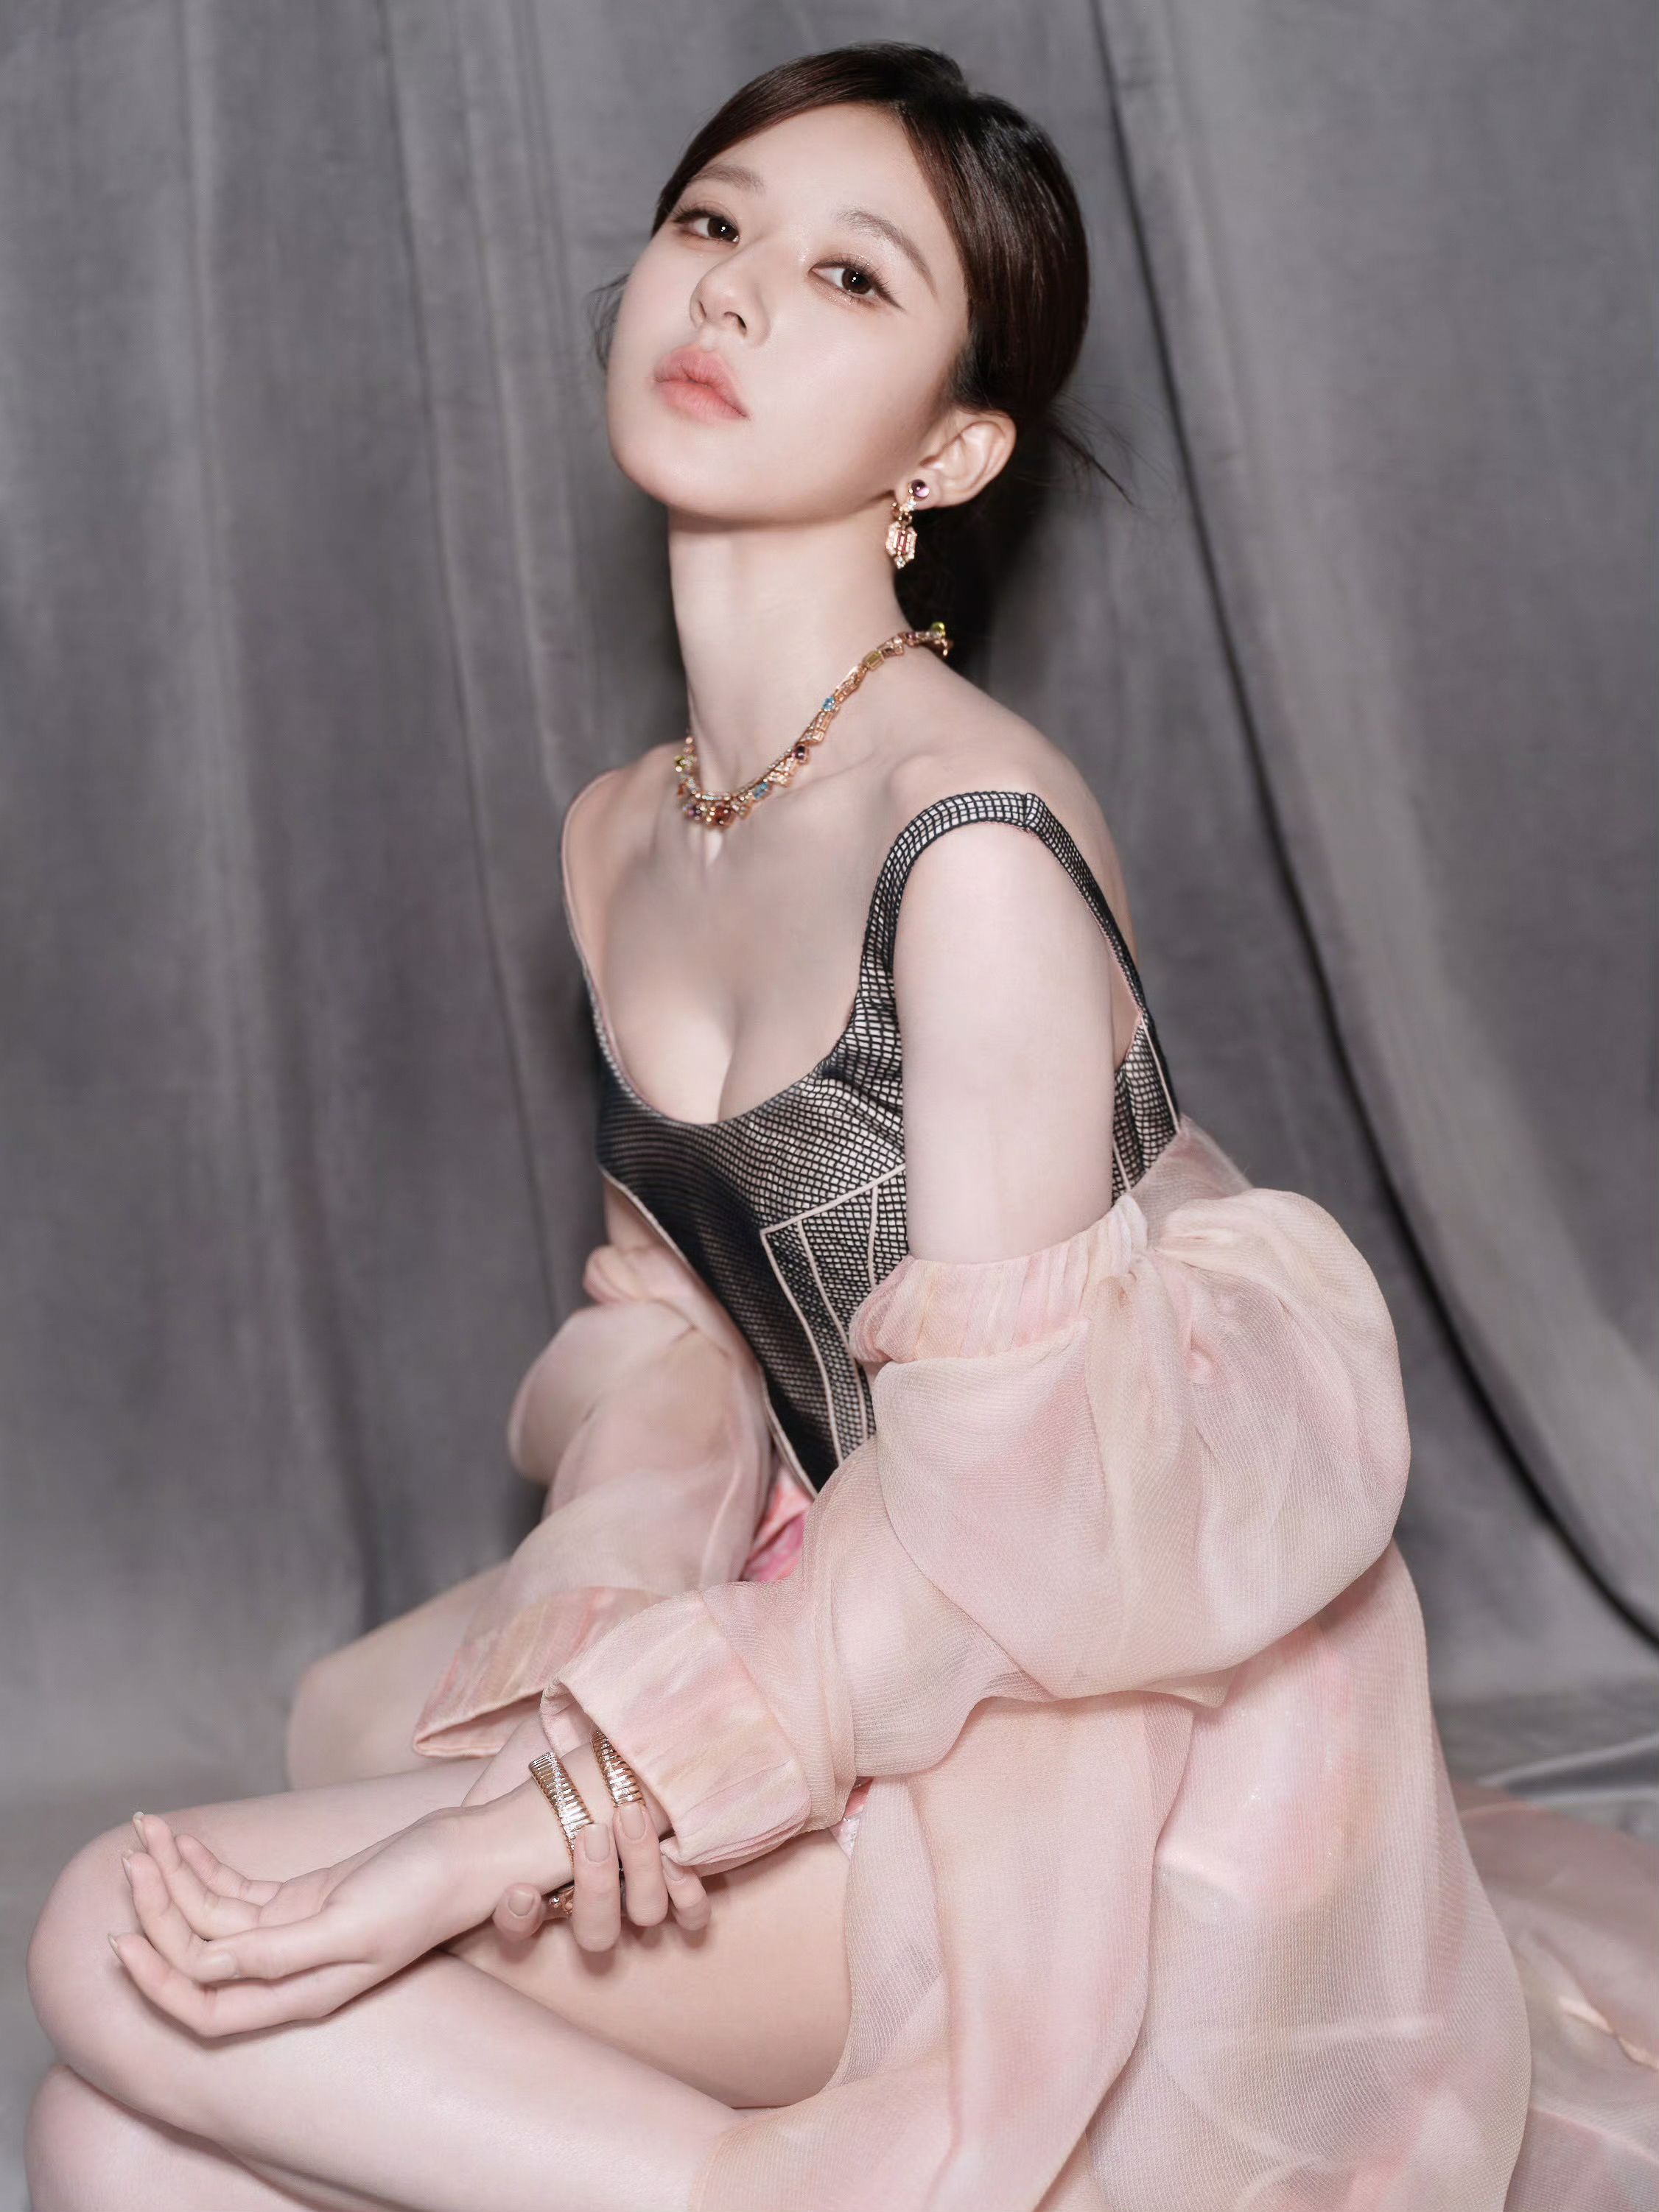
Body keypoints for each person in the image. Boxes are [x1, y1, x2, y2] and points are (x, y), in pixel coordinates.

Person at [25, 43, 1657, 2212]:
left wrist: (539, 1817)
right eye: (712, 225)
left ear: (951, 448)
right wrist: (609, 1636)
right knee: (116, 2139)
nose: (732, 292)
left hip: (1057, 1737)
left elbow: (1005, 1520)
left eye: (850, 278)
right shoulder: (625, 831)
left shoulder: (967, 843)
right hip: (817, 1630)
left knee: (106, 1949)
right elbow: (673, 1320)